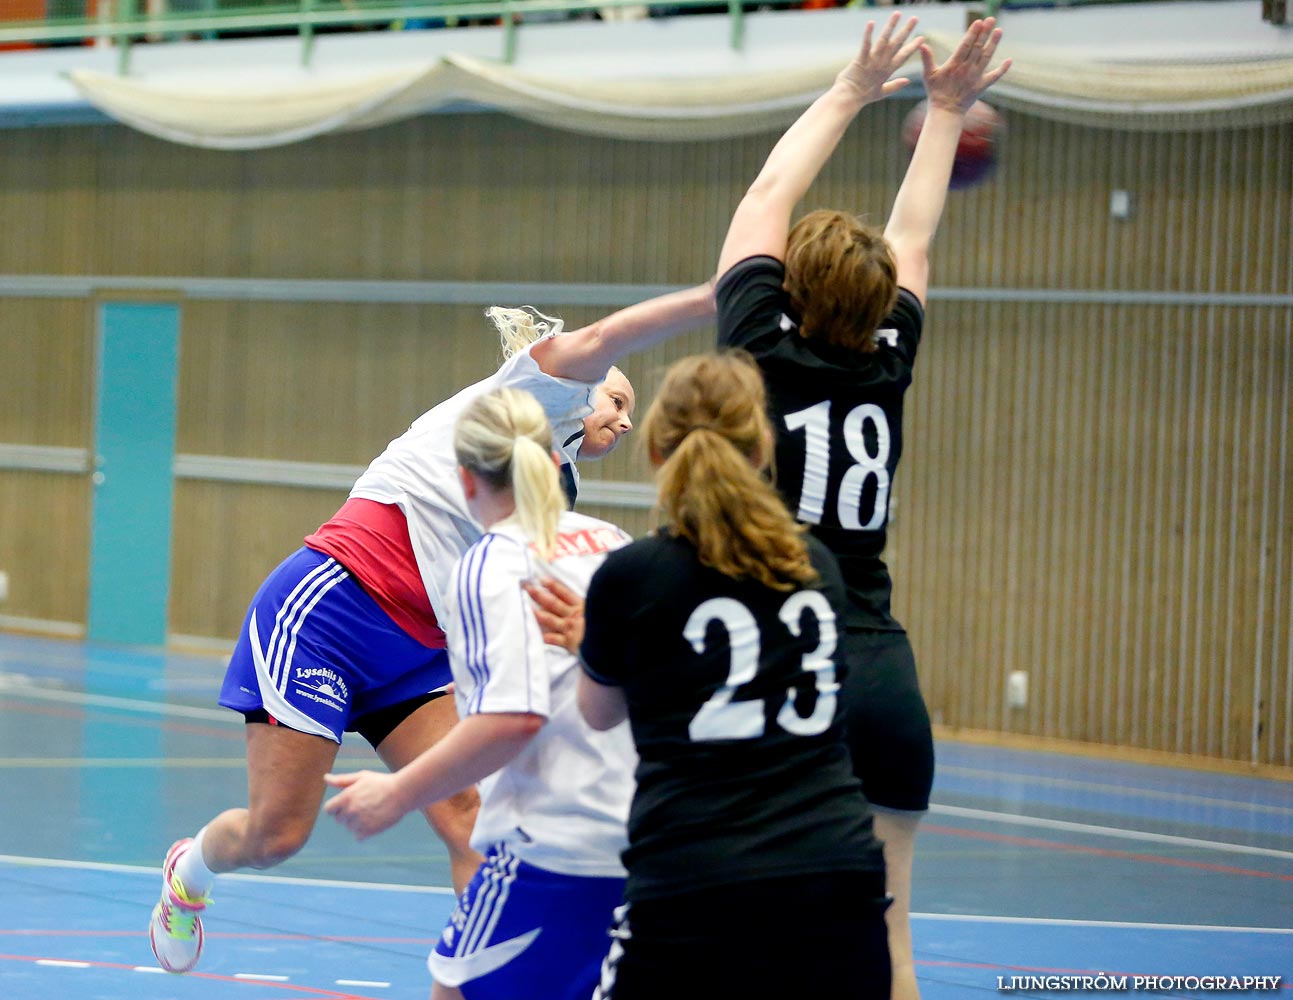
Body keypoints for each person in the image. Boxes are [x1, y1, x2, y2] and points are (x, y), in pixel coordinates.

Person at [147, 281, 715, 975]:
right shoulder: (521, 397)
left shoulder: (548, 480)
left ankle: (484, 982)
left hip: (415, 654)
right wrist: (718, 296)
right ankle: (190, 873)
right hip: (325, 616)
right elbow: (601, 342)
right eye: (616, 400)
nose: (624, 420)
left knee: (471, 822)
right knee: (276, 836)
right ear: (579, 387)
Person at [712, 13, 1011, 999]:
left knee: (742, 933)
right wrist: (945, 111)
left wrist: (850, 89)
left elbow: (767, 193)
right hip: (882, 674)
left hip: (780, 666)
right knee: (889, 958)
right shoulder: (889, 361)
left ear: (787, 287)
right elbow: (914, 232)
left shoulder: (761, 342)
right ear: (880, 304)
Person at [577, 350, 891, 999]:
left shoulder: (633, 574)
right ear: (760, 448)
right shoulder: (818, 565)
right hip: (835, 869)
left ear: (659, 451)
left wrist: (591, 643)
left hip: (695, 876)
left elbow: (599, 712)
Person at [324, 386, 636, 1000]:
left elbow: (512, 719)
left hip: (550, 846)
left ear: (466, 482)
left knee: (453, 989)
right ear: (554, 465)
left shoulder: (489, 564)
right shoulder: (613, 542)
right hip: (640, 836)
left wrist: (395, 793)